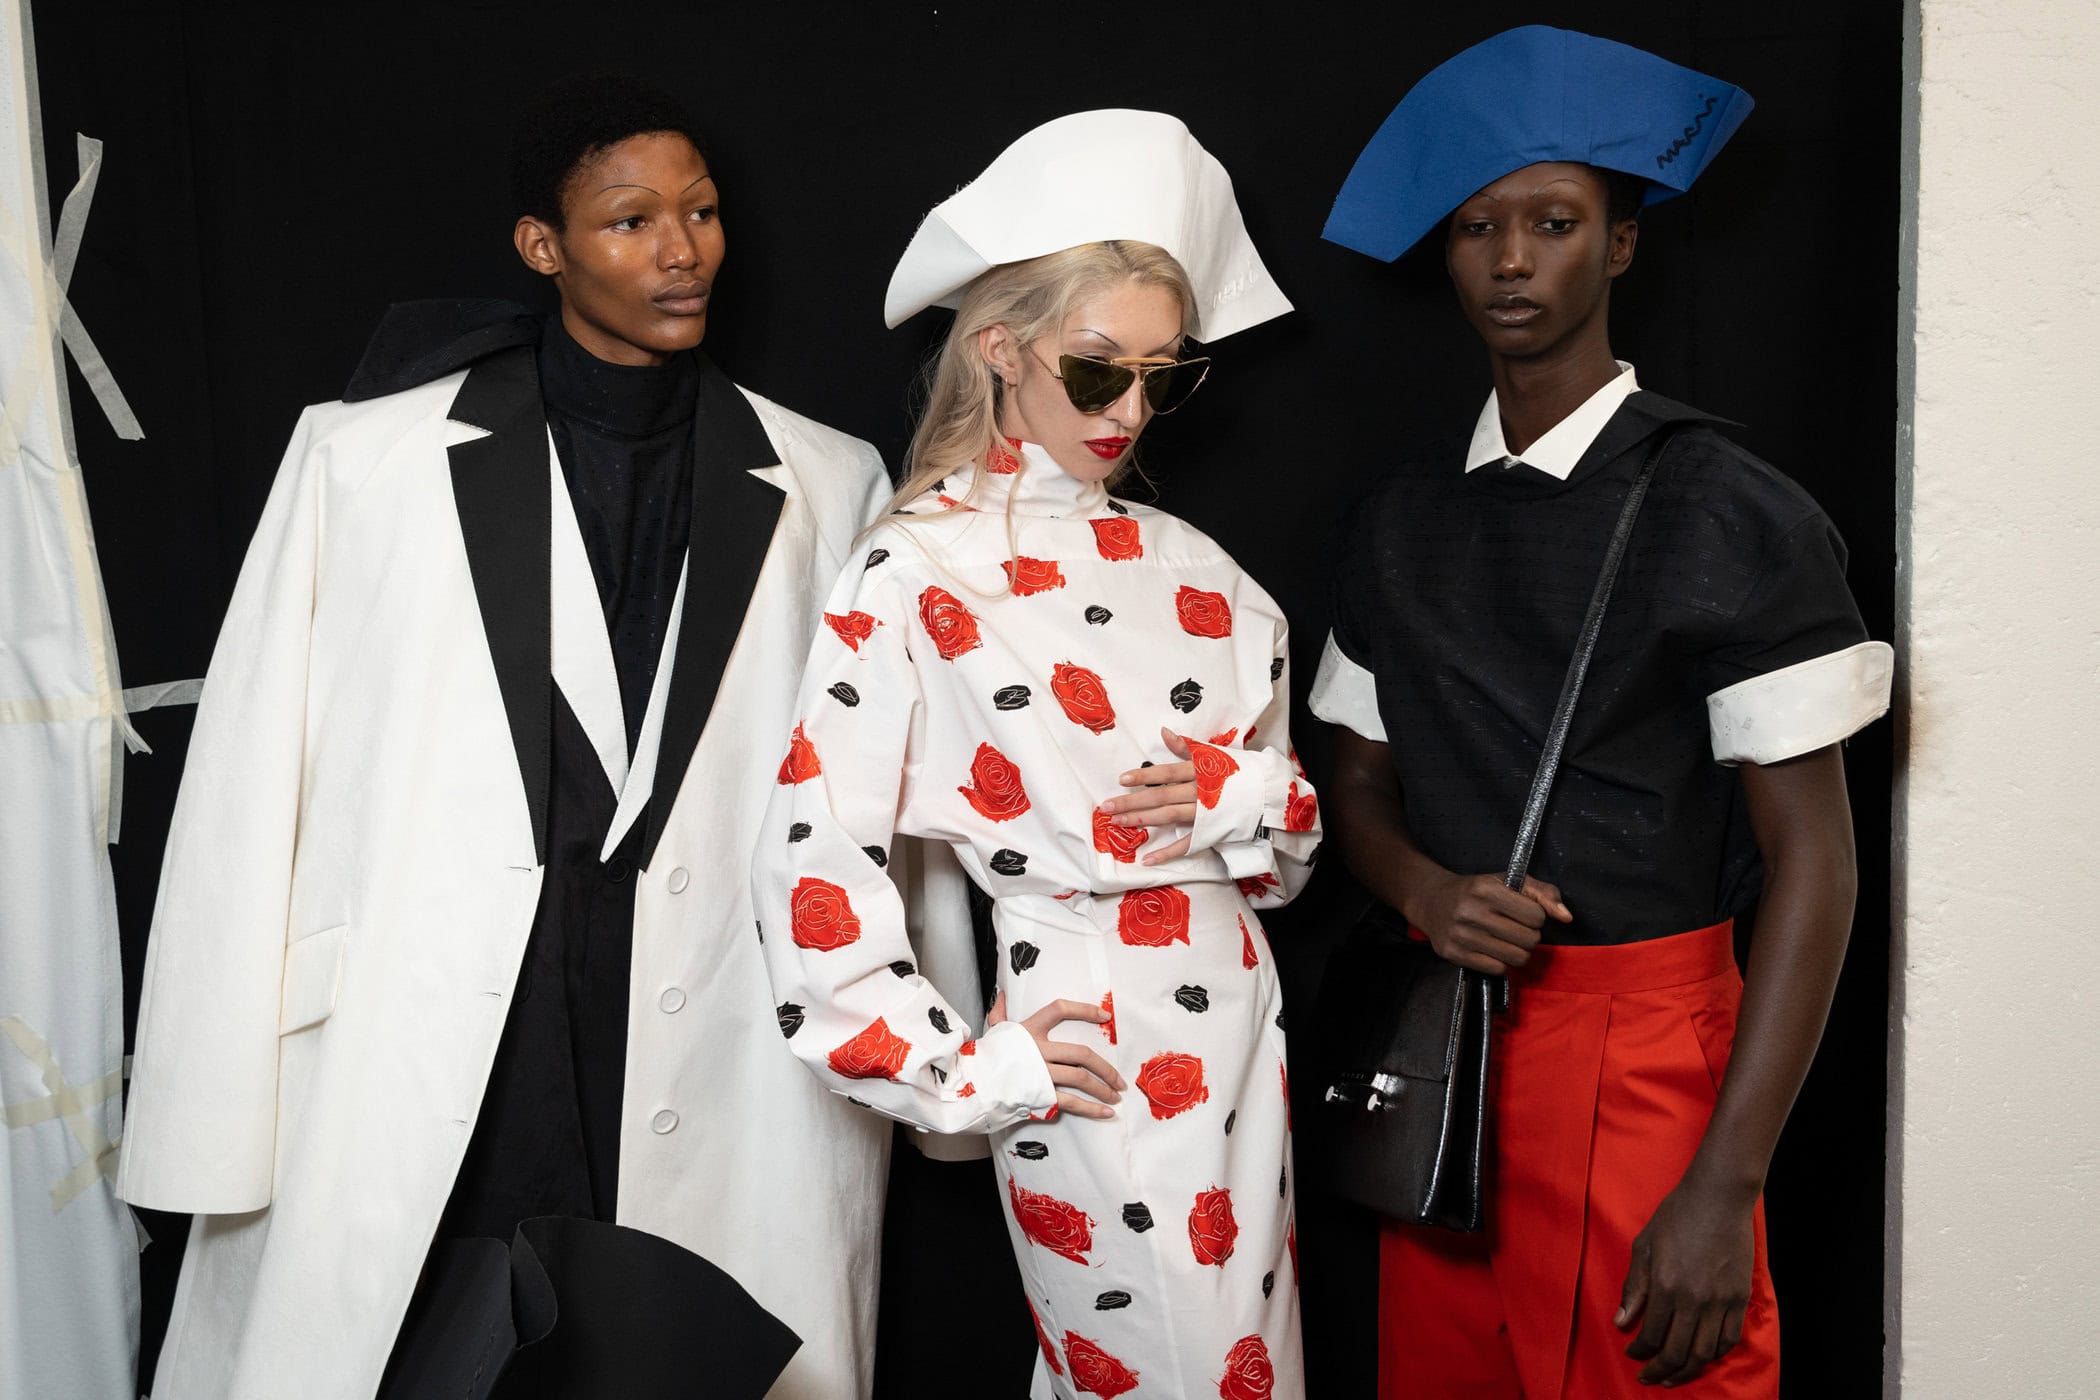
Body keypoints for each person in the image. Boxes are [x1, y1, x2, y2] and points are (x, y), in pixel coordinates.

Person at [114, 75, 961, 1400]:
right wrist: (196, 1116)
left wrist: (933, 1048)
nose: (681, 251)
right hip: (429, 1034)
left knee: (682, 1361)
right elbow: (244, 784)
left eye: (701, 212)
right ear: (541, 246)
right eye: (631, 220)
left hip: (711, 1036)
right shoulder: (363, 458)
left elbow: (878, 793)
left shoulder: (828, 476)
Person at [1314, 27, 1893, 1399]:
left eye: (1556, 223)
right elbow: (1354, 782)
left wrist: (1725, 1185)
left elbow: (1816, 862)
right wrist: (1426, 893)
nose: (1513, 261)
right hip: (1450, 1062)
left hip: (1655, 1062)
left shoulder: (1730, 513)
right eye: (1478, 229)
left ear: (1621, 245)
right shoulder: (1399, 517)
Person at [752, 110, 1315, 1400]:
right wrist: (957, 1067)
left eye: (1164, 377)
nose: (1131, 411)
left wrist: (1243, 797)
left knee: (1229, 1364)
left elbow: (1287, 856)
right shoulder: (914, 569)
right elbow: (813, 851)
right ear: (999, 348)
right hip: (1089, 1027)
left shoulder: (1203, 571)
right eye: (1097, 370)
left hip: (1243, 1020)